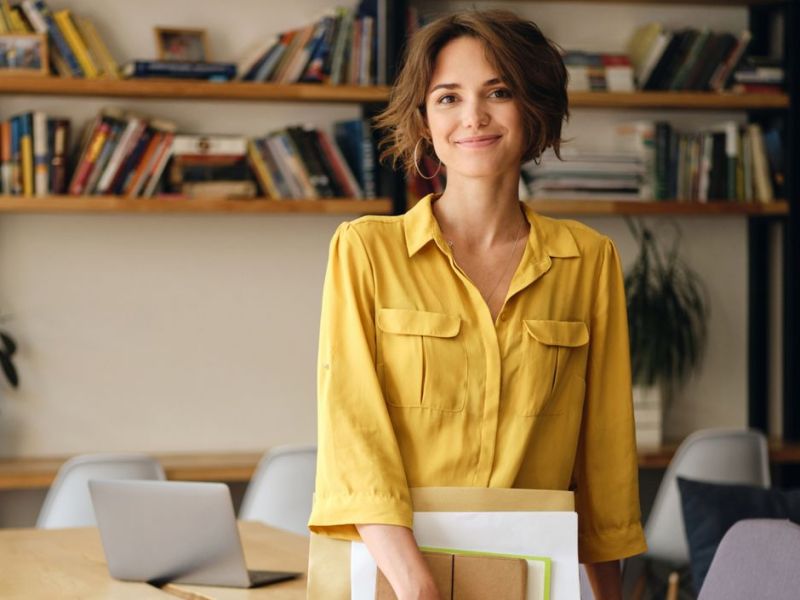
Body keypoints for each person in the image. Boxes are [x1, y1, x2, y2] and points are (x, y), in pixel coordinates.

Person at [308, 10, 647, 600]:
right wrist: (416, 584)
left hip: (536, 571)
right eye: (448, 98)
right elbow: (353, 434)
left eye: (499, 92)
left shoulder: (589, 260)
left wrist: (609, 594)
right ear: (423, 119)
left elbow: (604, 458)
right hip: (395, 571)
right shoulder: (364, 250)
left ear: (534, 108)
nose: (473, 118)